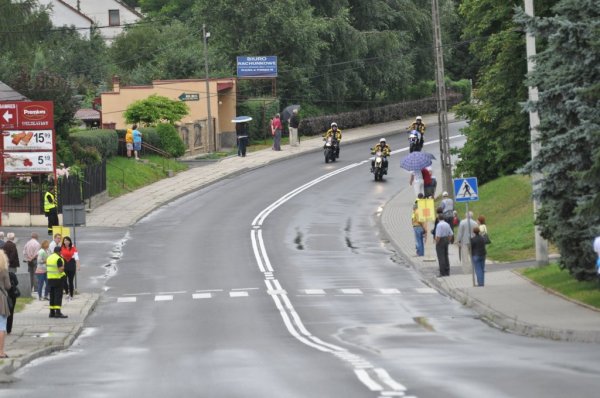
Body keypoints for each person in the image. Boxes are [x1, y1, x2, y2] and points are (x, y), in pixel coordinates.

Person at [47, 247, 68, 318]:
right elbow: (60, 270)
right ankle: (58, 312)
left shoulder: (49, 257)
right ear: (59, 252)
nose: (61, 253)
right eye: (61, 252)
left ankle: (51, 312)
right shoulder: (58, 258)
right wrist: (64, 268)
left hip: (50, 279)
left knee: (52, 296)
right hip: (58, 279)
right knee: (58, 296)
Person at [60, 237, 80, 301]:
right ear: (63, 241)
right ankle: (67, 294)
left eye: (67, 240)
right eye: (65, 240)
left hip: (71, 264)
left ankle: (71, 295)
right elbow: (59, 257)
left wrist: (78, 266)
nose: (66, 242)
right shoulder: (61, 248)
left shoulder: (73, 248)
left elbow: (76, 258)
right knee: (64, 280)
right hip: (64, 265)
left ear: (70, 241)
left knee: (71, 281)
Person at [0, 251, 12, 357]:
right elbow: (8, 286)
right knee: (1, 326)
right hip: (1, 299)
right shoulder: (3, 271)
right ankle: (1, 352)